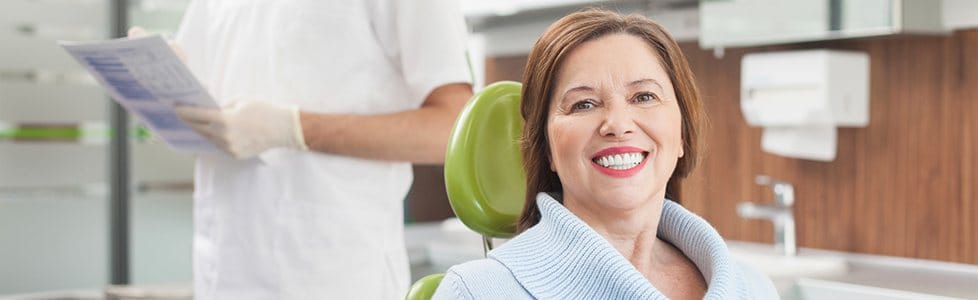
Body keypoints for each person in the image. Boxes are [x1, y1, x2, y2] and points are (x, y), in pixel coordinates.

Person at [130, 1, 473, 299]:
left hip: (332, 278)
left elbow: (451, 128)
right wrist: (165, 86)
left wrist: (292, 129)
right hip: (220, 273)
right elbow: (208, 97)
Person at [432, 9, 778, 299]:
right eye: (583, 104)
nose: (617, 124)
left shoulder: (755, 288)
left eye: (644, 97)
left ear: (682, 133)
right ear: (547, 148)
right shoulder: (478, 292)